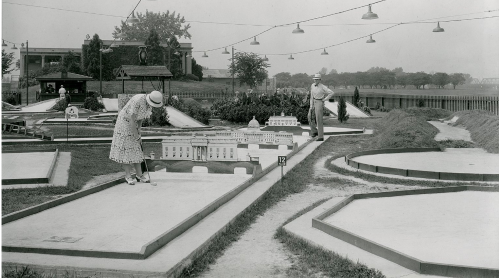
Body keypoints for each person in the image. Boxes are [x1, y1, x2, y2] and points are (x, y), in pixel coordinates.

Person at [109, 91, 164, 185]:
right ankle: (128, 176)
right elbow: (131, 119)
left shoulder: (149, 104)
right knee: (126, 149)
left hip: (132, 123)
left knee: (136, 148)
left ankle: (139, 175)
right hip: (124, 123)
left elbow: (140, 119)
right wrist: (136, 136)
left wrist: (139, 132)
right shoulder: (138, 100)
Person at [308, 73, 334, 141]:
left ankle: (320, 136)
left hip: (319, 102)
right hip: (313, 101)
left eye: (317, 79)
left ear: (320, 80)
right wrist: (311, 105)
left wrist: (324, 99)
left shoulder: (322, 86)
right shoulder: (312, 85)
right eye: (315, 79)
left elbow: (331, 92)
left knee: (318, 119)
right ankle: (314, 132)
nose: (315, 81)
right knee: (309, 117)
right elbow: (311, 96)